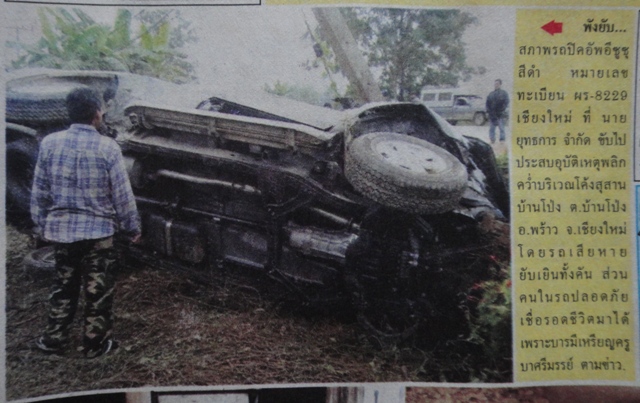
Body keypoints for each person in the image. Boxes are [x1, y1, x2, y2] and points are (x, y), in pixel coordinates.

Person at [30, 87, 141, 358]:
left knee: (63, 286)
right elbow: (122, 195)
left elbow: (40, 190)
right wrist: (132, 227)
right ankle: (95, 345)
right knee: (98, 290)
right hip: (98, 234)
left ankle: (53, 341)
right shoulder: (108, 147)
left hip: (62, 232)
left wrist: (42, 224)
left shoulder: (50, 143)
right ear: (97, 114)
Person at [485, 79, 509, 143]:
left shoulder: (504, 93)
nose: (496, 85)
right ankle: (492, 139)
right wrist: (488, 112)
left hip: (500, 114)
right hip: (492, 114)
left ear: (500, 85)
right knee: (492, 128)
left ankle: (502, 140)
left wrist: (503, 110)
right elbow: (487, 103)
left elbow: (506, 102)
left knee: (501, 128)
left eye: (497, 84)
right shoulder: (491, 94)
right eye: (495, 84)